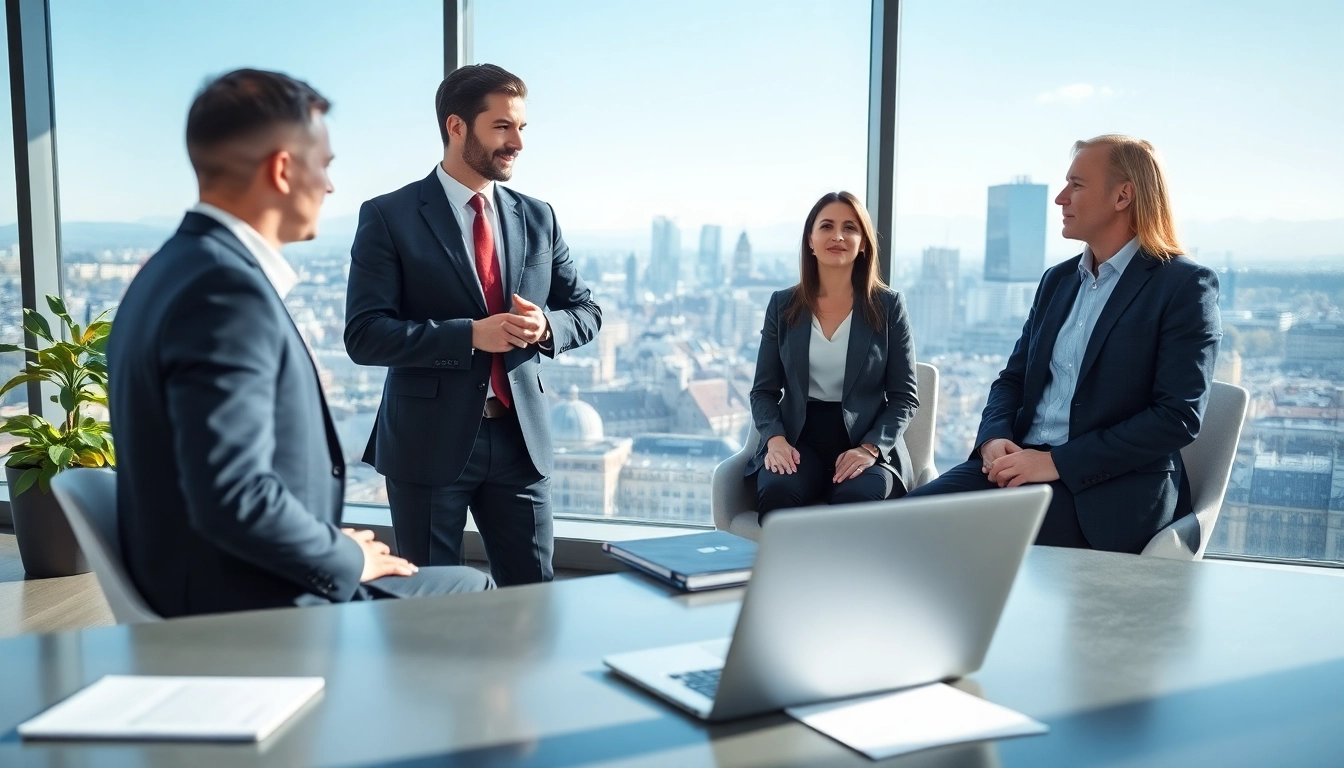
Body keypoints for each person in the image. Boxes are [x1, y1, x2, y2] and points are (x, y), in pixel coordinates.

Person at [108, 69, 492, 618]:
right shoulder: (225, 292)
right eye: (326, 166)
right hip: (251, 603)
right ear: (284, 170)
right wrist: (343, 557)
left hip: (215, 578)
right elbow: (231, 497)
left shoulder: (171, 268)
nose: (331, 186)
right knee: (470, 590)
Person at [344, 64, 601, 585]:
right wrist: (469, 335)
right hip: (427, 443)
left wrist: (546, 328)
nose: (518, 143)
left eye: (522, 128)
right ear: (456, 127)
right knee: (435, 607)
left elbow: (587, 312)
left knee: (533, 600)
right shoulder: (389, 215)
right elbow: (365, 334)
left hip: (520, 440)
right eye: (503, 127)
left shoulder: (538, 216)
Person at [905, 135, 1221, 554]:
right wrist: (993, 436)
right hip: (1018, 464)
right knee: (898, 525)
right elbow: (1012, 379)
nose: (1060, 198)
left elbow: (1176, 418)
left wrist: (1055, 463)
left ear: (1123, 195)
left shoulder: (1183, 286)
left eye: (1076, 184)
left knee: (975, 544)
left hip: (1109, 491)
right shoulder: (1057, 280)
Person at [747, 191, 919, 519]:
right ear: (810, 241)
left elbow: (905, 398)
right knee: (777, 492)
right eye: (826, 226)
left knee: (857, 500)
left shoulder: (889, 306)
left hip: (864, 440)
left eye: (850, 228)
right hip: (799, 438)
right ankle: (786, 572)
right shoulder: (783, 305)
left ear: (864, 243)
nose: (838, 236)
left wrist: (870, 448)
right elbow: (763, 391)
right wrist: (775, 440)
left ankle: (846, 573)